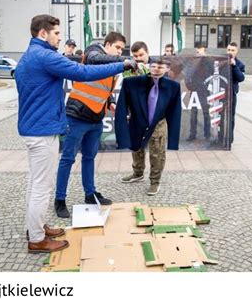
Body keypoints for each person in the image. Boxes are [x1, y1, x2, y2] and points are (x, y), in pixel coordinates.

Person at [15, 15, 136, 253]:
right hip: (42, 130)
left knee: (34, 184)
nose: (60, 38)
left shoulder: (29, 56)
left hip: (33, 127)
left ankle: (37, 227)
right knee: (41, 187)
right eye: (57, 33)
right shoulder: (45, 56)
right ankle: (37, 239)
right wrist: (122, 64)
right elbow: (83, 72)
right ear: (43, 33)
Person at [54, 32, 130, 218]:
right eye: (117, 47)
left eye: (122, 49)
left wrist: (110, 100)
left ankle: (90, 193)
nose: (119, 51)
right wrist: (122, 61)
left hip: (96, 117)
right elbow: (95, 60)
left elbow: (102, 87)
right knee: (68, 159)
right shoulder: (93, 51)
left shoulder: (111, 66)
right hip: (77, 115)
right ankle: (60, 200)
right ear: (107, 44)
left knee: (89, 157)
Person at [115, 58, 182, 196]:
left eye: (161, 66)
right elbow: (122, 105)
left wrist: (174, 138)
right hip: (138, 121)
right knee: (136, 148)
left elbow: (175, 112)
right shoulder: (132, 83)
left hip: (158, 122)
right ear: (149, 67)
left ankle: (155, 181)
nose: (157, 69)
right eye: (154, 66)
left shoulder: (173, 86)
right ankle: (138, 172)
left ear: (167, 69)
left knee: (157, 153)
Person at [121, 41, 161, 185]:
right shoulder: (131, 68)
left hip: (154, 115)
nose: (138, 58)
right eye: (135, 56)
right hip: (136, 114)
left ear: (148, 53)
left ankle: (155, 181)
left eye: (141, 55)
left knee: (156, 149)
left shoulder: (158, 66)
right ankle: (138, 173)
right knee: (136, 145)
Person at [185, 44, 211, 141]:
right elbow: (187, 73)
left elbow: (212, 72)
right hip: (195, 89)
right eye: (197, 52)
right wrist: (189, 85)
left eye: (201, 52)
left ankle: (207, 134)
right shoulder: (193, 61)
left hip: (204, 89)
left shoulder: (208, 61)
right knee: (193, 112)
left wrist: (205, 58)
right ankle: (192, 134)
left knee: (205, 112)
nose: (199, 54)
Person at [226, 42, 245, 144]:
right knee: (220, 117)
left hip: (232, 95)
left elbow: (241, 78)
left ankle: (229, 139)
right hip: (222, 94)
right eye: (229, 50)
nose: (230, 52)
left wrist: (234, 66)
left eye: (232, 50)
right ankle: (220, 137)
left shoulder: (239, 64)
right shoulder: (222, 61)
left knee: (231, 117)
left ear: (236, 51)